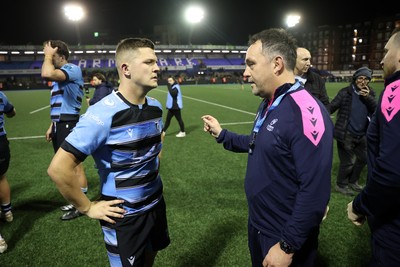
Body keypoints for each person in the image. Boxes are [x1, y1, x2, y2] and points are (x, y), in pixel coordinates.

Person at [202, 28, 334, 267]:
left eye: (251, 64)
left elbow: (315, 192)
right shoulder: (269, 103)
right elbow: (259, 143)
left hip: (283, 234)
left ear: (277, 64)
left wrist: (287, 246)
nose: (245, 73)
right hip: (260, 225)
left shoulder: (307, 112)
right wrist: (223, 135)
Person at [47, 37, 170, 267]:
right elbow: (58, 169)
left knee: (150, 258)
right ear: (126, 69)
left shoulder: (155, 106)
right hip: (124, 216)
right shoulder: (102, 114)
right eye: (149, 62)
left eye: (157, 61)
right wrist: (87, 207)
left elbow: (157, 141)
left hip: (155, 204)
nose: (158, 67)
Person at [347, 27, 400, 266]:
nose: (381, 58)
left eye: (387, 51)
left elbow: (392, 172)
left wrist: (360, 205)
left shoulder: (395, 91)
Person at [41, 40, 88, 221]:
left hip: (69, 122)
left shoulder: (72, 69)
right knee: (67, 166)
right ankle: (77, 200)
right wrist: (52, 124)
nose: (48, 59)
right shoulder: (60, 75)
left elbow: (46, 73)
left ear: (60, 55)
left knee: (74, 165)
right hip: (60, 123)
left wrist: (47, 55)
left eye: (52, 55)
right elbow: (59, 104)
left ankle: (81, 205)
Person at [330, 67, 377, 196]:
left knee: (364, 158)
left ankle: (353, 181)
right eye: (360, 78)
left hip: (362, 134)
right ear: (355, 79)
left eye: (366, 79)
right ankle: (341, 184)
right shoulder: (346, 92)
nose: (363, 81)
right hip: (346, 134)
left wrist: (368, 98)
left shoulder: (370, 93)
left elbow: (376, 111)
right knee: (348, 162)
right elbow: (331, 106)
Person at [0, 91, 16, 254]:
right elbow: (11, 112)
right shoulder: (1, 95)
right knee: (1, 177)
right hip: (1, 142)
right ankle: (8, 212)